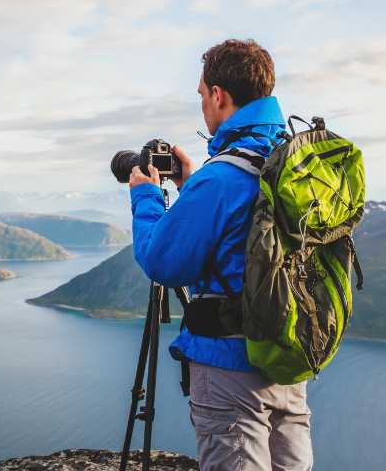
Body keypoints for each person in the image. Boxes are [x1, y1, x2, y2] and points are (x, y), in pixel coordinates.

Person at [128, 39, 313, 471]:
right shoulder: (291, 161)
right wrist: (193, 185)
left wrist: (146, 198)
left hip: (231, 370)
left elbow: (163, 262)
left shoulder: (223, 176)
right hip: (289, 355)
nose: (202, 105)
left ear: (218, 95)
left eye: (201, 94)